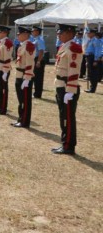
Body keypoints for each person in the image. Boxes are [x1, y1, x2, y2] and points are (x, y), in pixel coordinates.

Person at [52, 24, 83, 155]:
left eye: (62, 32)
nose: (59, 35)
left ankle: (69, 145)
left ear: (70, 33)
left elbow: (74, 70)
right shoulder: (64, 46)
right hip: (61, 85)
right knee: (63, 116)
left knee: (68, 117)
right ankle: (65, 142)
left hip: (67, 87)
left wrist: (70, 90)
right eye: (58, 33)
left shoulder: (74, 48)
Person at [13, 26, 35, 128]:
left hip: (24, 76)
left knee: (25, 100)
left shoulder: (29, 45)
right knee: (21, 99)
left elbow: (30, 63)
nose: (18, 35)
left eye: (19, 34)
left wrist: (27, 78)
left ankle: (24, 121)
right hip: (19, 74)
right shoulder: (22, 45)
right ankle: (21, 118)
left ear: (26, 35)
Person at [0, 26, 13, 115]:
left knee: (3, 89)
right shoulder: (1, 42)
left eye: (0, 32)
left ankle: (3, 108)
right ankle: (0, 106)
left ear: (4, 33)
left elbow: (8, 58)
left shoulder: (7, 42)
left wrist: (5, 71)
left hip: (3, 68)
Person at [30, 26, 46, 98]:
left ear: (37, 32)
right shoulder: (35, 39)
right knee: (35, 76)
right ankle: (36, 92)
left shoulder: (39, 40)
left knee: (38, 78)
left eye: (34, 31)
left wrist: (39, 61)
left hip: (38, 59)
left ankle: (37, 94)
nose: (32, 32)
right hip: (35, 59)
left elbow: (41, 51)